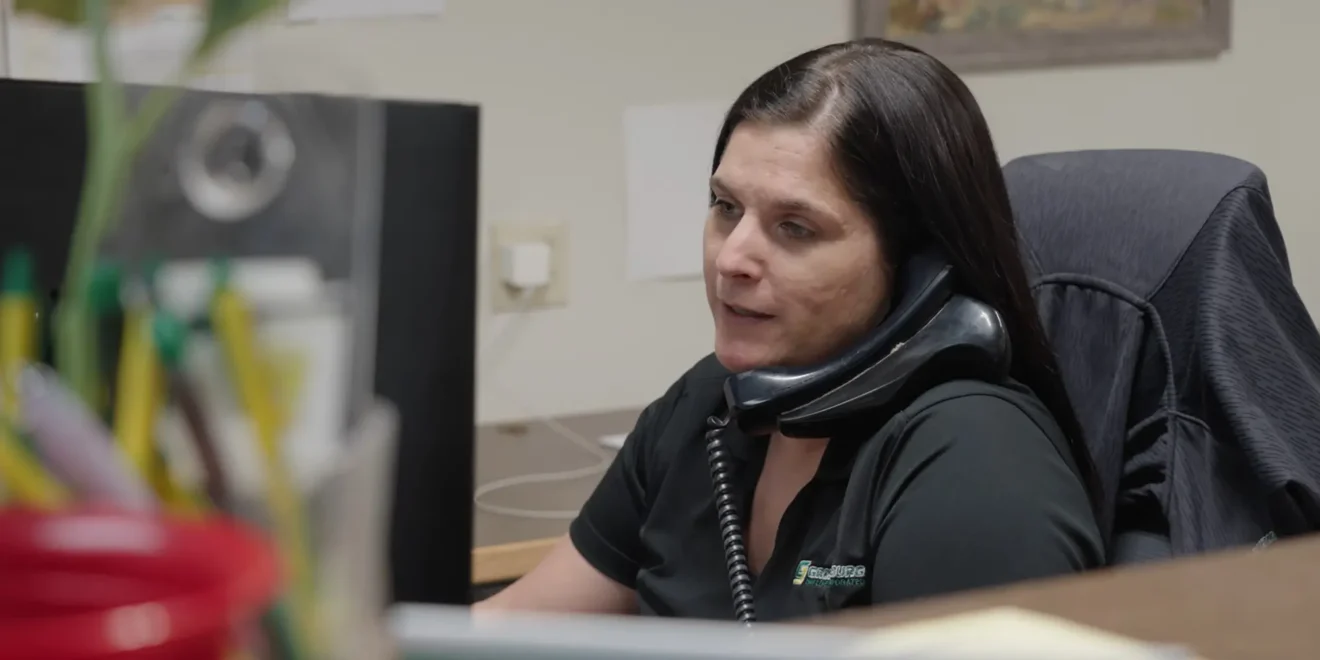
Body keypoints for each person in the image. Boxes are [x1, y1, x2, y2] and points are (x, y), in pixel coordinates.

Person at [477, 38, 1105, 620]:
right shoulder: (710, 405)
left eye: (795, 228)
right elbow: (504, 630)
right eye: (726, 208)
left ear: (920, 268)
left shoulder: (974, 464)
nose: (731, 259)